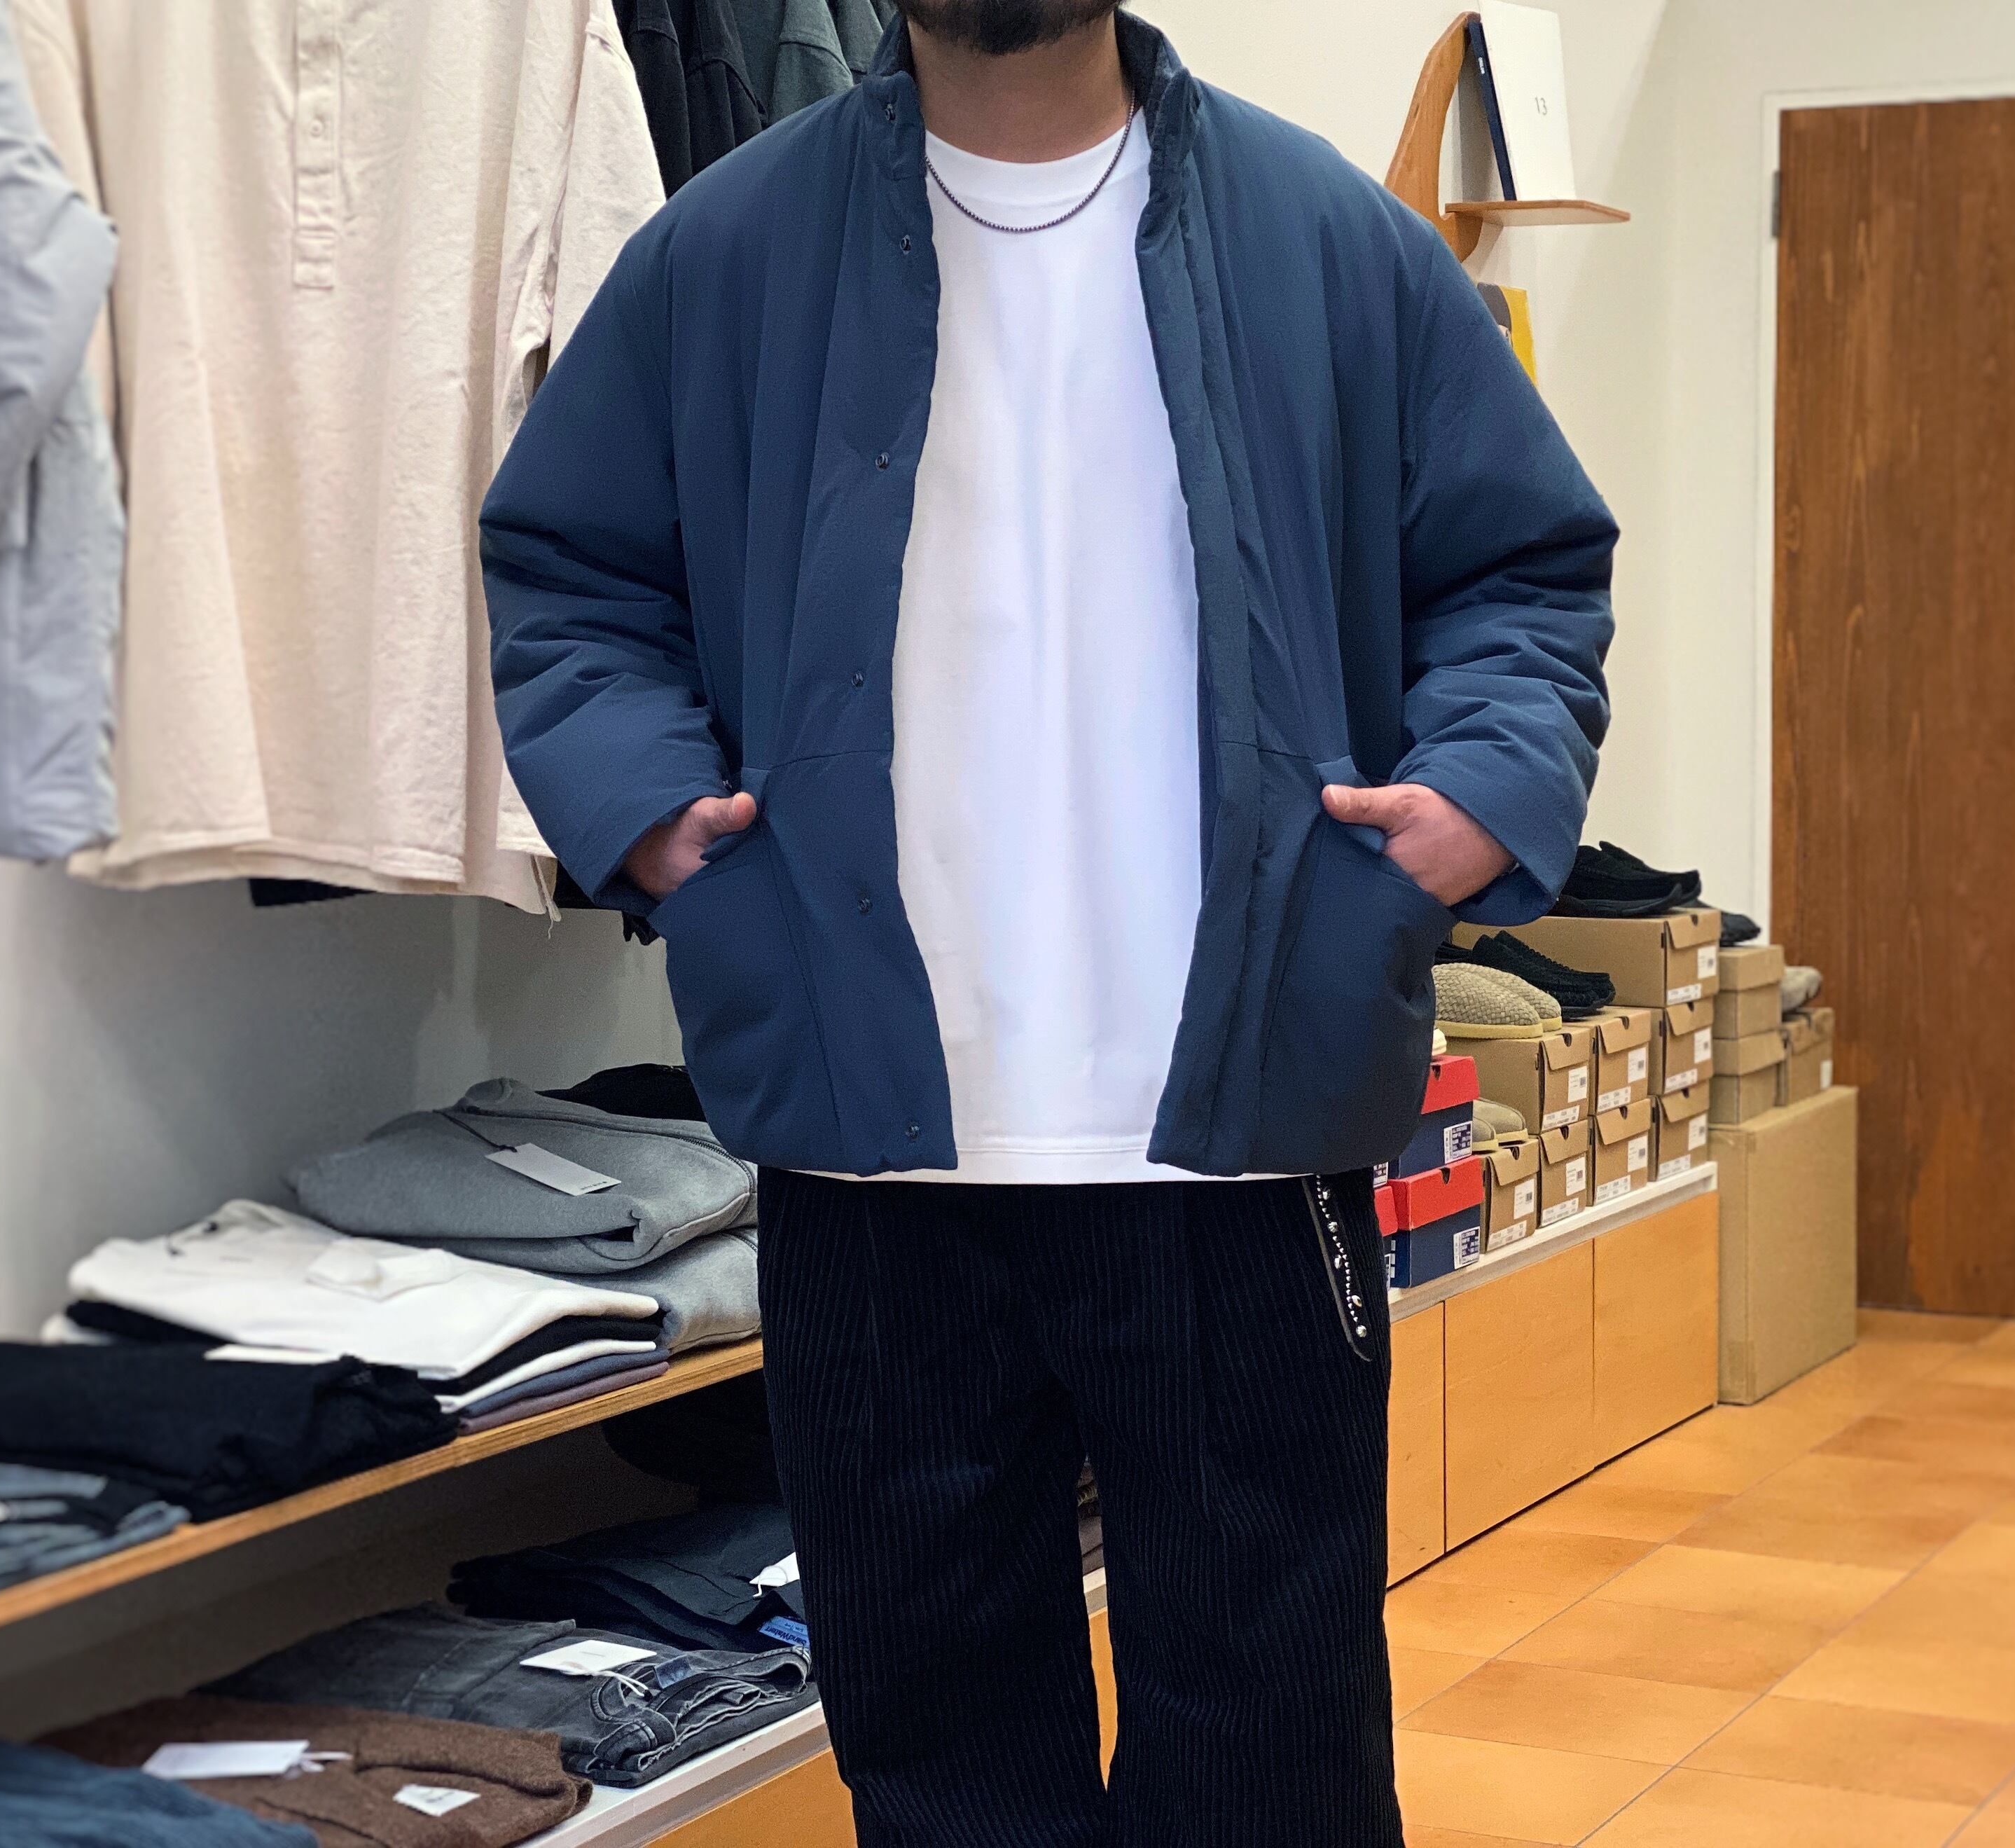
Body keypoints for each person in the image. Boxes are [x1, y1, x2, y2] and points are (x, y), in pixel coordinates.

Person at [481, 2, 1614, 1840]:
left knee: (1271, 1778)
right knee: (943, 1778)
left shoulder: (1335, 239)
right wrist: (650, 810)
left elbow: (1518, 569)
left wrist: (1488, 782)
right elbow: (572, 571)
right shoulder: (724, 251)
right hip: (870, 1156)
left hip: (1242, 1139)